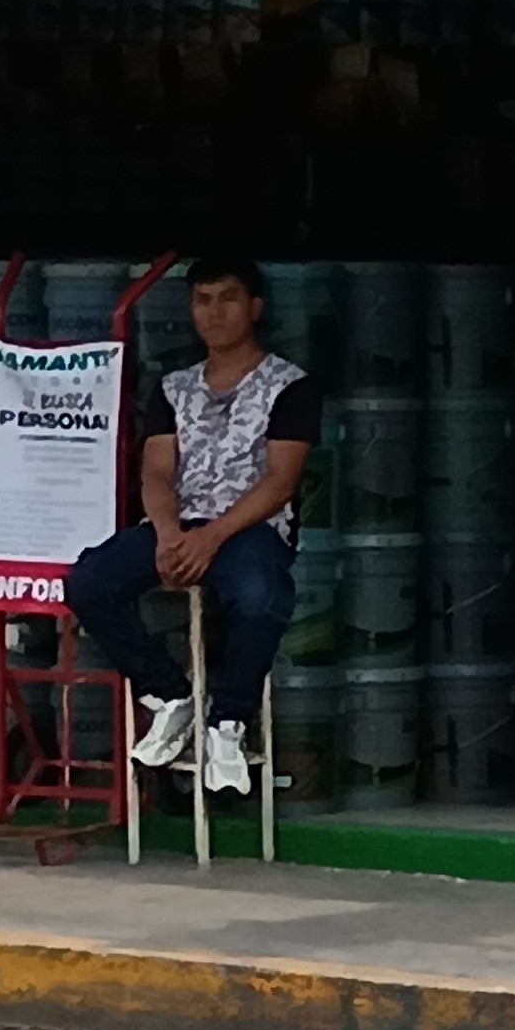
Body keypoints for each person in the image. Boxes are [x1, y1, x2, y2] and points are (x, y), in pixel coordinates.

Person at [67, 254, 322, 792]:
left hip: (249, 530)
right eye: (203, 300)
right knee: (89, 581)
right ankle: (169, 695)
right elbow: (156, 471)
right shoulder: (174, 386)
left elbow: (280, 482)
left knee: (260, 595)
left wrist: (213, 535)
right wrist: (166, 534)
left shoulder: (290, 385)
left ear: (255, 307)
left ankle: (227, 722)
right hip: (176, 526)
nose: (214, 311)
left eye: (228, 298)